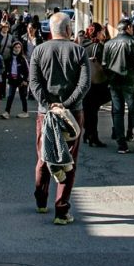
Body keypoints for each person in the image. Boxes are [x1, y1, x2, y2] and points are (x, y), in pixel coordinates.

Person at [29, 12, 90, 225]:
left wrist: (48, 104)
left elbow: (34, 84)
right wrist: (66, 104)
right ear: (68, 30)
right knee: (68, 160)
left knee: (44, 155)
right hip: (72, 113)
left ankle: (41, 201)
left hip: (45, 113)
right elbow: (84, 84)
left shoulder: (39, 50)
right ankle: (62, 211)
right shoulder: (78, 51)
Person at [101, 19, 134, 155]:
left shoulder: (109, 43)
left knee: (117, 112)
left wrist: (109, 77)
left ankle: (121, 144)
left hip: (114, 82)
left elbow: (104, 64)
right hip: (129, 81)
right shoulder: (132, 41)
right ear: (129, 28)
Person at [80, 23, 109, 147]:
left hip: (83, 81)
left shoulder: (81, 45)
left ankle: (87, 133)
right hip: (96, 82)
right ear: (97, 33)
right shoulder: (98, 46)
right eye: (102, 32)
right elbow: (104, 64)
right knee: (93, 110)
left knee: (87, 109)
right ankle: (93, 136)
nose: (103, 34)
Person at [0, 41, 30, 119]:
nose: (17, 49)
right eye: (15, 47)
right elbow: (6, 69)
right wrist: (7, 76)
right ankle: (7, 112)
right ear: (12, 48)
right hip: (12, 80)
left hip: (21, 80)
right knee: (10, 96)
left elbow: (27, 71)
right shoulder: (9, 58)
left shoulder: (23, 59)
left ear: (21, 49)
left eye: (19, 47)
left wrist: (25, 81)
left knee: (23, 96)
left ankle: (25, 112)